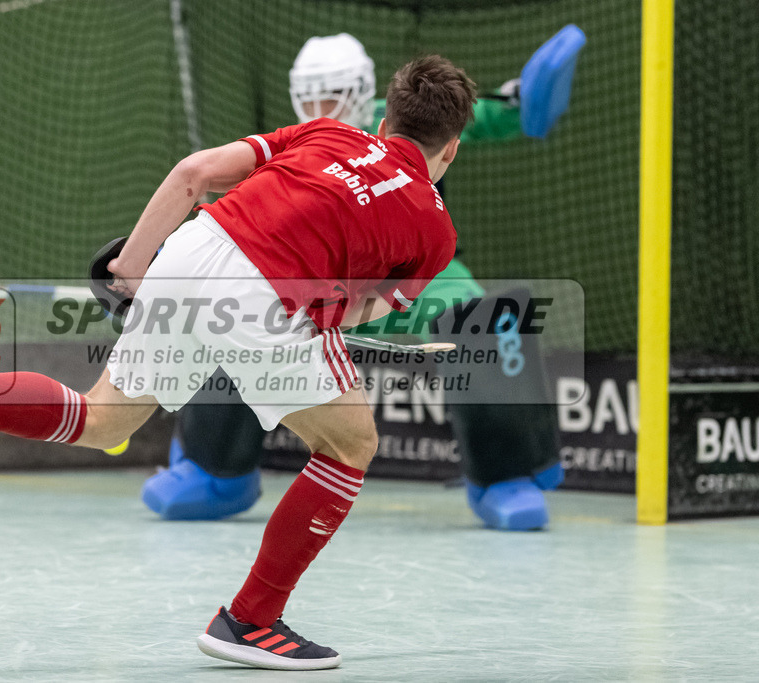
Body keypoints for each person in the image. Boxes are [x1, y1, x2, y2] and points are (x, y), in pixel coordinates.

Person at [0, 54, 477, 670]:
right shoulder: (433, 227)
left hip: (195, 245)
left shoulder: (327, 134)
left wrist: (133, 268)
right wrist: (316, 318)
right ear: (449, 149)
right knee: (350, 443)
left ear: (384, 119)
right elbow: (358, 308)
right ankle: (250, 619)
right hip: (270, 289)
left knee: (103, 418)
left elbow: (194, 174)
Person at [143, 30, 581, 529]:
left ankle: (508, 474)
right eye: (308, 95)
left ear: (364, 94)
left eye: (330, 94)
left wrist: (521, 101)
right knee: (242, 315)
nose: (318, 106)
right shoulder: (300, 137)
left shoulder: (401, 119)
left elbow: (470, 122)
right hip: (317, 278)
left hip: (415, 276)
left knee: (482, 321)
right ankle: (212, 469)